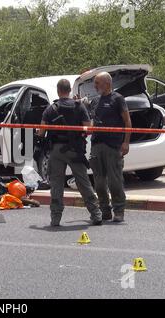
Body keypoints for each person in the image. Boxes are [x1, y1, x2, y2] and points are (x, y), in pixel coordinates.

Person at [38, 79, 102, 227]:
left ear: (59, 91)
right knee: (83, 182)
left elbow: (41, 132)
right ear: (69, 91)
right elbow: (88, 129)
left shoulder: (50, 109)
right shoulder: (79, 107)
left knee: (56, 184)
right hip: (75, 150)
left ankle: (55, 218)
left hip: (56, 151)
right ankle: (96, 214)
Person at [89, 72, 132, 223]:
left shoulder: (118, 99)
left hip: (113, 146)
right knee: (99, 183)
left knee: (115, 181)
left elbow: (127, 122)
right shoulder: (95, 101)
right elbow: (91, 121)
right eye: (95, 83)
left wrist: (126, 142)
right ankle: (104, 210)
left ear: (107, 84)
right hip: (96, 146)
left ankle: (119, 210)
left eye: (97, 83)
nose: (95, 86)